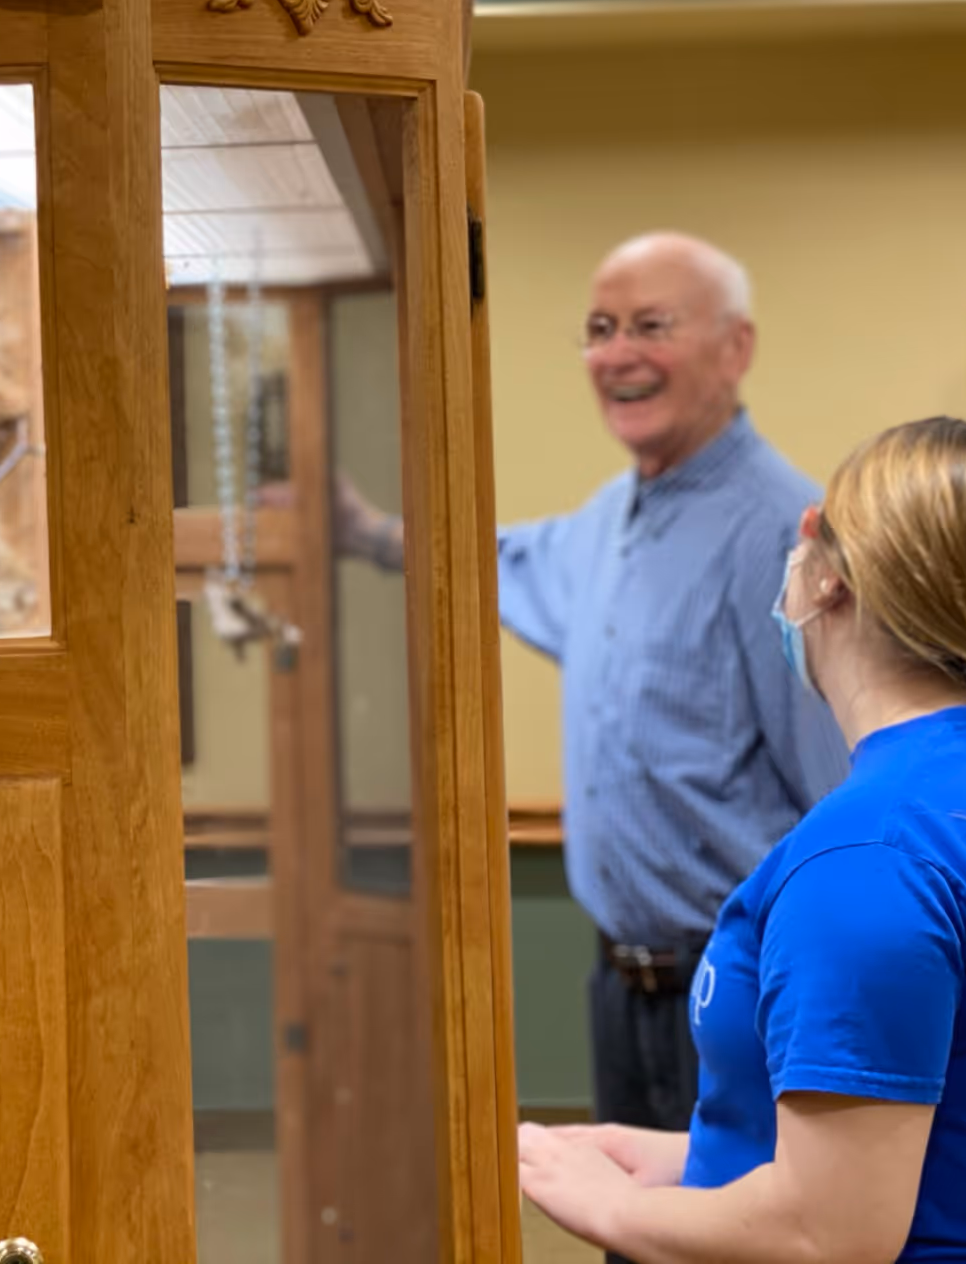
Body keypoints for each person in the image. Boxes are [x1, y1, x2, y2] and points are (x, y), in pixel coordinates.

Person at [284, 233, 846, 1234]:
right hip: (621, 986)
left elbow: (839, 802)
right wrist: (364, 531)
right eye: (598, 329)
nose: (617, 352)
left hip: (744, 997)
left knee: (732, 1246)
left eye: (650, 326)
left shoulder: (781, 537)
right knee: (631, 1237)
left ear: (735, 348)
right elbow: (493, 560)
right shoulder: (609, 520)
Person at [519, 417, 966, 1262]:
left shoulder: (872, 858)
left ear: (826, 573)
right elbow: (949, 1139)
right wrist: (677, 1163)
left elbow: (824, 1234)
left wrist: (609, 1212)